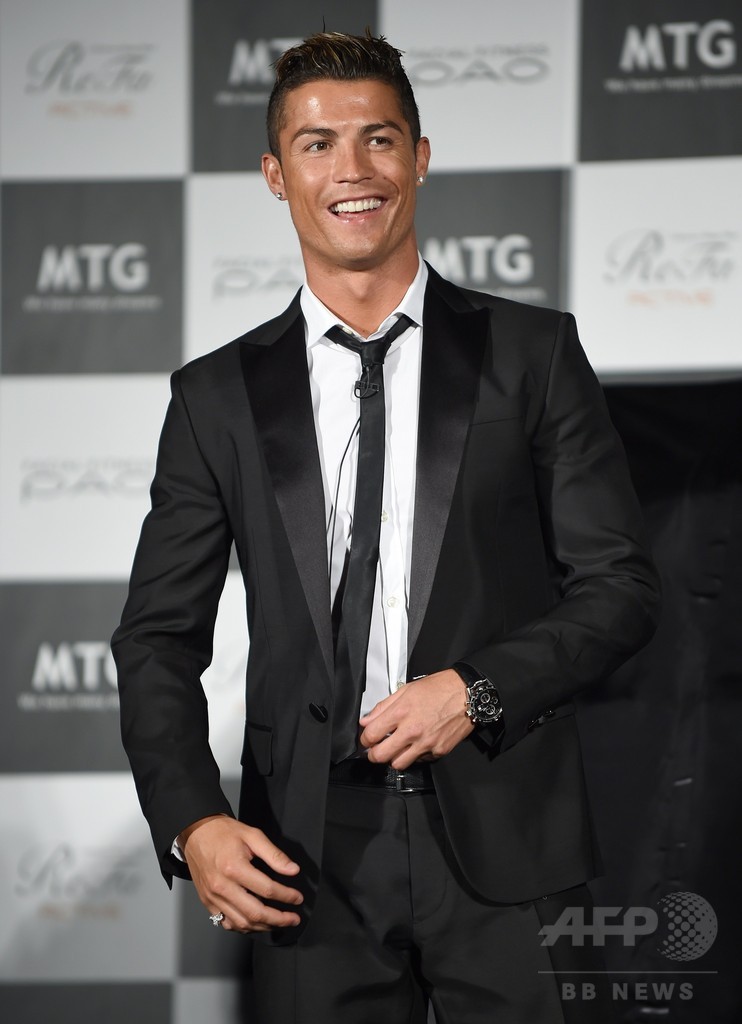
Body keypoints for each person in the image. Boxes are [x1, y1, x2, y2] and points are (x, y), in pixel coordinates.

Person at [112, 30, 660, 1024]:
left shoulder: (531, 353)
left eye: (378, 138)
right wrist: (192, 820)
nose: (352, 169)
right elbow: (156, 639)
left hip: (510, 837)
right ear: (276, 175)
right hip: (306, 856)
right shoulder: (215, 397)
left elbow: (619, 588)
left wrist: (476, 689)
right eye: (317, 144)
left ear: (419, 156)